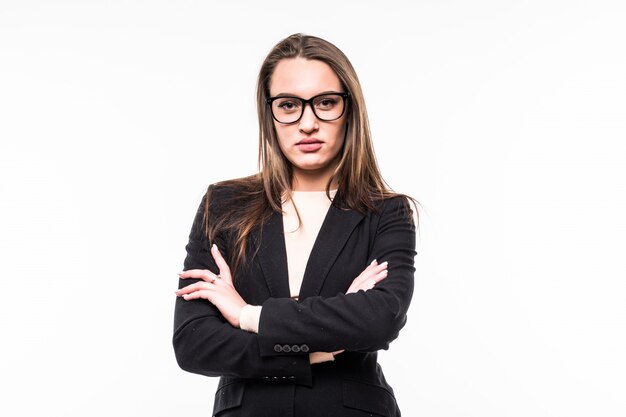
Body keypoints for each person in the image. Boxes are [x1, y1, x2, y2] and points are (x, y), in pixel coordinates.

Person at [173, 33, 418, 417]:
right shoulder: (222, 205)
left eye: (325, 103)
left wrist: (246, 316)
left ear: (349, 110)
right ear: (269, 113)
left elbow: (380, 318)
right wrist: (312, 348)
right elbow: (194, 343)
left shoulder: (387, 212)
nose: (307, 123)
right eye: (288, 105)